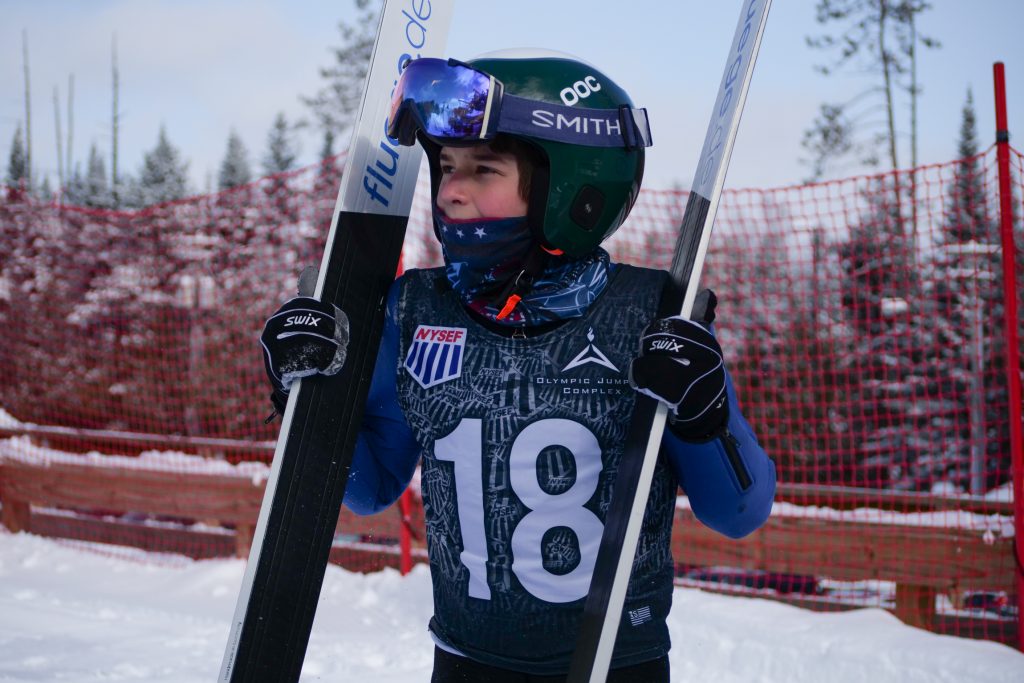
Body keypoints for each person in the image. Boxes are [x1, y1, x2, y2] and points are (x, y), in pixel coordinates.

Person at [260, 50, 776, 683]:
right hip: (466, 662)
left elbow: (739, 514)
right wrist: (306, 401)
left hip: (616, 663)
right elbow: (368, 491)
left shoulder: (651, 317)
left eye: (484, 169)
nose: (451, 188)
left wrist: (703, 414)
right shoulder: (413, 310)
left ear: (571, 187)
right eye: (446, 166)